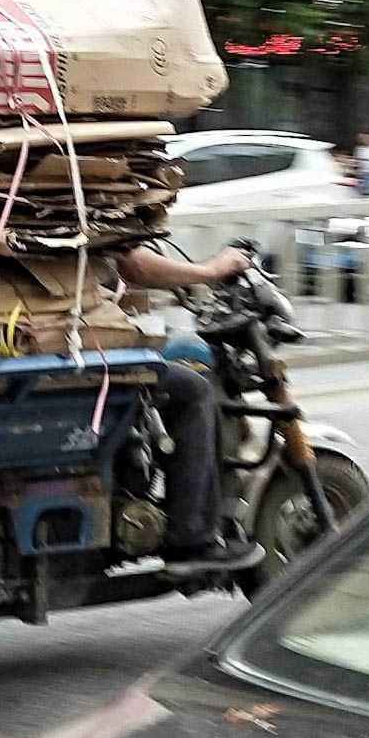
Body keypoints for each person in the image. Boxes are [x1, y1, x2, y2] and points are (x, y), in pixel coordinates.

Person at [112, 243, 264, 572]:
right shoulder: (67, 199)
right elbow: (132, 263)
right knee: (193, 389)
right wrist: (211, 270)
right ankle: (192, 536)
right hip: (79, 354)